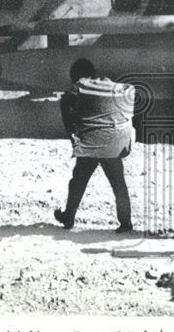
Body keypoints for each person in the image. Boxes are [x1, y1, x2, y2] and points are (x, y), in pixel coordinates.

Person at [54, 58, 135, 232]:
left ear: (75, 75)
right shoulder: (108, 85)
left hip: (91, 144)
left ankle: (68, 217)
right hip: (115, 144)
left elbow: (69, 119)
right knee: (118, 184)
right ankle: (126, 222)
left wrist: (76, 141)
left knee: (78, 181)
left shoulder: (77, 89)